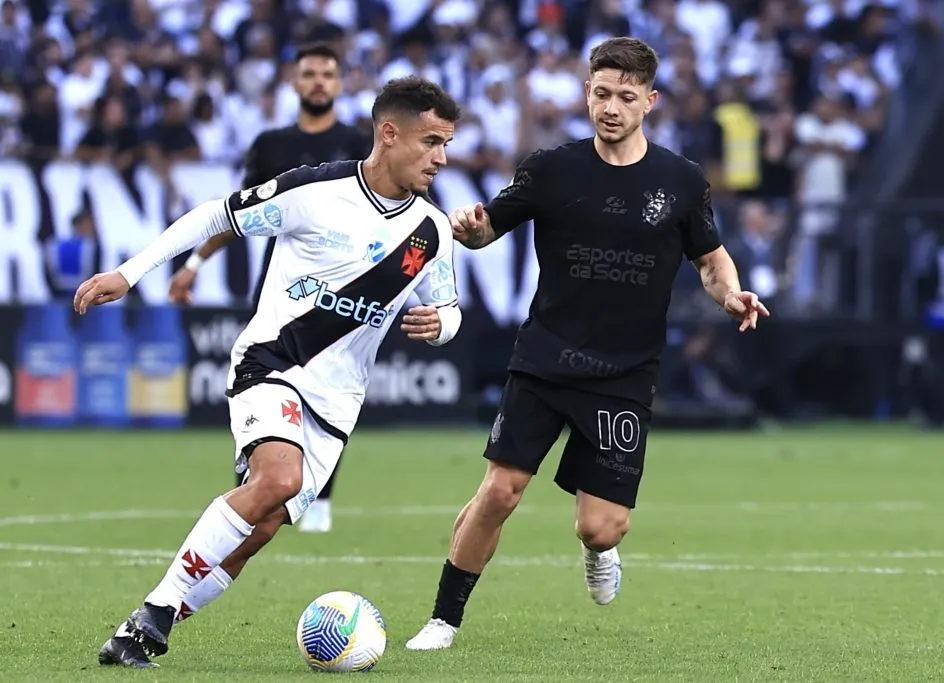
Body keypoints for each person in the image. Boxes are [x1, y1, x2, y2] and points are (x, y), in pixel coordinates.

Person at [79, 76, 463, 668]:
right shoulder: (315, 192)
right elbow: (215, 217)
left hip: (338, 402)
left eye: (447, 145)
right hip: (273, 363)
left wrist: (443, 325)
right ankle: (156, 611)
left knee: (256, 531)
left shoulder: (431, 232)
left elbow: (450, 305)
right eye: (432, 141)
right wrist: (129, 275)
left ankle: (143, 628)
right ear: (390, 133)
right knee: (277, 480)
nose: (442, 158)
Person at [405, 37, 769, 651]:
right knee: (499, 490)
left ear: (650, 101)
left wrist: (730, 294)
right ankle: (443, 619)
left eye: (626, 97)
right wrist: (469, 230)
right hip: (545, 356)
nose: (611, 107)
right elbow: (487, 229)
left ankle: (599, 552)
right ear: (586, 92)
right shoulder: (552, 168)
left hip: (624, 373)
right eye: (602, 93)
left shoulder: (681, 181)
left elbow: (710, 260)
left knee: (601, 528)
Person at [169, 43, 371, 534]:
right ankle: (256, 466)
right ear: (294, 82)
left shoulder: (360, 143)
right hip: (281, 287)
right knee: (261, 374)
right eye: (310, 73)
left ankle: (320, 494)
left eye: (328, 73)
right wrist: (195, 262)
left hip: (344, 291)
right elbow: (236, 213)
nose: (319, 81)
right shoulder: (271, 145)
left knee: (329, 387)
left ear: (340, 83)